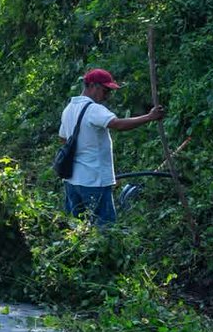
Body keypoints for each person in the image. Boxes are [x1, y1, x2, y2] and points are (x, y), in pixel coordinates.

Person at [58, 68, 165, 226]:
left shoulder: (69, 109)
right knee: (105, 229)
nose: (107, 95)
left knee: (76, 228)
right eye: (105, 90)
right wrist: (150, 117)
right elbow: (118, 124)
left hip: (72, 181)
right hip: (94, 180)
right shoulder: (94, 109)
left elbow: (62, 139)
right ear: (93, 86)